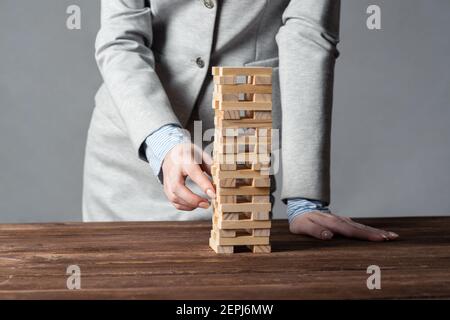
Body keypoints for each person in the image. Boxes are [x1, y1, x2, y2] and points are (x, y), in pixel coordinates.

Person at [83, 0, 399, 242]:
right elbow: (120, 38)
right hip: (132, 149)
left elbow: (309, 32)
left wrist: (306, 198)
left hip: (238, 152)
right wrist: (163, 142)